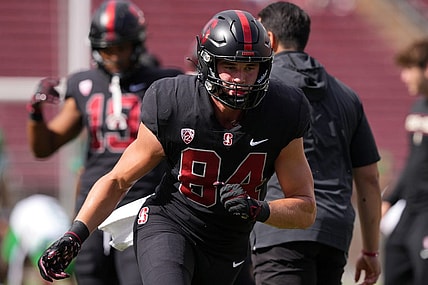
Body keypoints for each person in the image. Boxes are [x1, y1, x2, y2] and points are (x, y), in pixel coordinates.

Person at [36, 9, 316, 285]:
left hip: (228, 241)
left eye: (249, 67)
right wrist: (75, 234)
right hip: (170, 223)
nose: (240, 79)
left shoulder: (284, 109)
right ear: (208, 64)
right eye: (230, 67)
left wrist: (259, 209)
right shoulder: (174, 101)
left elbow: (305, 208)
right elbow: (119, 179)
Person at [26, 1, 182, 284]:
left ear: (136, 43)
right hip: (92, 204)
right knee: (91, 276)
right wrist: (35, 113)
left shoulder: (164, 82)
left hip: (143, 201)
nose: (113, 56)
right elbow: (44, 147)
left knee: (137, 277)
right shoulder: (85, 84)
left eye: (120, 47)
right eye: (106, 49)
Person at [250, 2, 382, 285]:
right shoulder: (347, 95)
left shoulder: (260, 89)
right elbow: (369, 179)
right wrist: (370, 250)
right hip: (333, 232)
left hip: (279, 226)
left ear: (269, 40)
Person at [381, 38, 428, 285]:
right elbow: (413, 162)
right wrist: (390, 198)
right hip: (409, 211)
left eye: (409, 69)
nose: (404, 77)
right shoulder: (418, 106)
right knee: (395, 268)